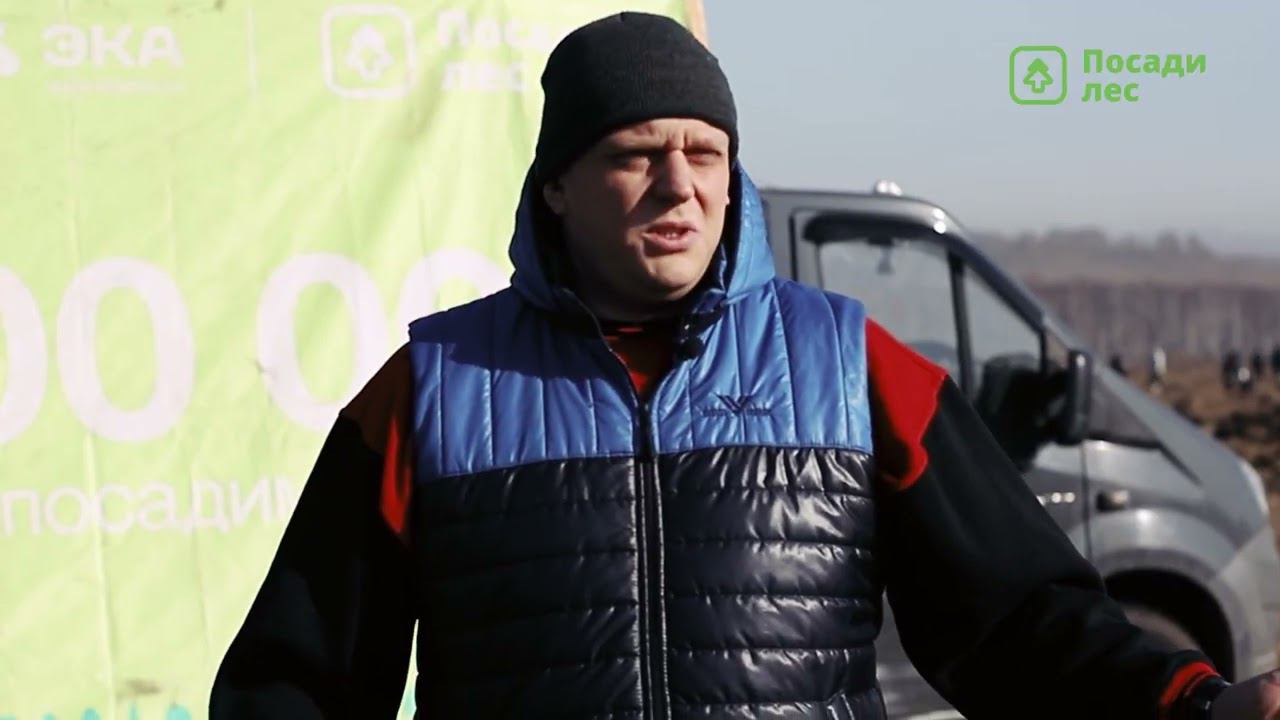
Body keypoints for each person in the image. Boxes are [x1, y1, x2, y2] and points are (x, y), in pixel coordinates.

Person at [209, 12, 1280, 720]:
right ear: (555, 188)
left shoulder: (851, 366)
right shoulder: (432, 390)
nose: (678, 185)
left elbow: (1020, 625)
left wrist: (1193, 702)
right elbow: (295, 684)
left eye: (705, 153)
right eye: (635, 154)